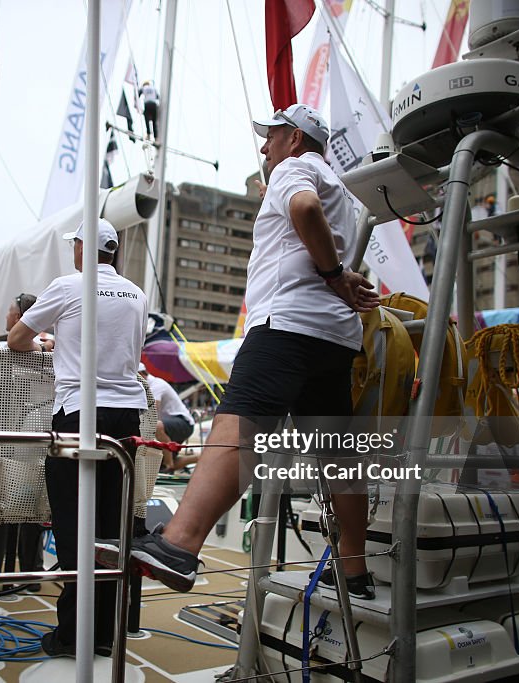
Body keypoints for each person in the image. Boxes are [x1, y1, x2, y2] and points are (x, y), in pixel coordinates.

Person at [97, 105, 380, 597]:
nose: (264, 147)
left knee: (237, 425)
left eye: (271, 137)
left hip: (286, 327)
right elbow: (318, 224)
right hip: (335, 339)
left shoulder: (297, 168)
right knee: (340, 459)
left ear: (294, 139)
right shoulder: (345, 194)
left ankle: (180, 545)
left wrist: (334, 277)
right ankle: (355, 572)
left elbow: (304, 210)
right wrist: (337, 280)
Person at [8, 218, 147, 658]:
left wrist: (48, 346)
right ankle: (104, 633)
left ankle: (72, 635)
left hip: (79, 413)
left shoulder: (69, 286)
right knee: (110, 526)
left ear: (83, 248)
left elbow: (16, 340)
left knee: (74, 524)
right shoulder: (137, 294)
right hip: (127, 415)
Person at [138, 363, 198, 471]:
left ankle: (168, 463)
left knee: (156, 426)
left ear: (141, 374)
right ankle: (199, 458)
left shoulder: (156, 384)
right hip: (171, 425)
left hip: (183, 422)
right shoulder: (145, 387)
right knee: (161, 465)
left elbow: (152, 411)